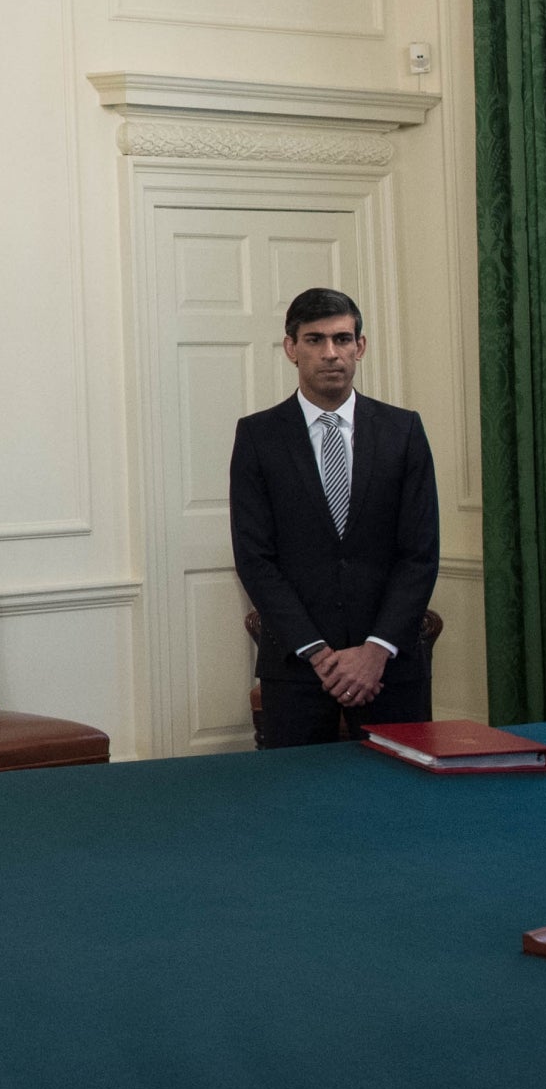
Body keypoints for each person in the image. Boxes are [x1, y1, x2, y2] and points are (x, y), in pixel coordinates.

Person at [229, 286, 438, 749]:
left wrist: (375, 650)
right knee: (299, 807)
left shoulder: (402, 431)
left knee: (400, 805)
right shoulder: (258, 437)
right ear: (291, 348)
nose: (331, 353)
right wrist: (319, 654)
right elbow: (255, 559)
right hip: (298, 669)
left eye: (343, 339)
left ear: (360, 347)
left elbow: (419, 554)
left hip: (390, 669)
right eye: (315, 339)